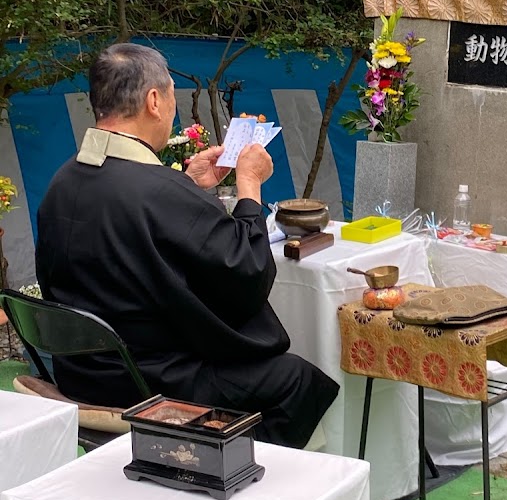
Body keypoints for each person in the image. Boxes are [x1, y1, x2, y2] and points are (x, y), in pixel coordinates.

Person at [35, 43, 339, 448]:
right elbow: (246, 275)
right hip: (147, 383)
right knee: (295, 379)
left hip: (79, 373)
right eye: (173, 98)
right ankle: (223, 481)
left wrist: (190, 186)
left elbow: (131, 226)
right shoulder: (160, 191)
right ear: (154, 100)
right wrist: (249, 186)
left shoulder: (63, 181)